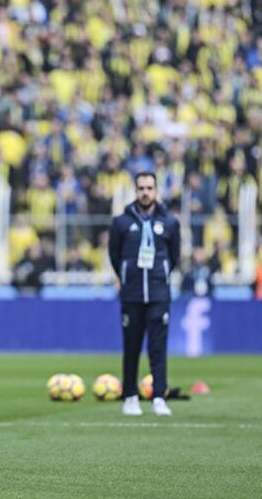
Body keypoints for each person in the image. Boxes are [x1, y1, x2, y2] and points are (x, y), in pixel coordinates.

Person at [108, 171, 180, 417]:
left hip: (159, 295)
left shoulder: (169, 222)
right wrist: (127, 276)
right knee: (131, 347)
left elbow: (175, 256)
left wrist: (161, 274)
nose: (145, 192)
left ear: (156, 191)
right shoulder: (121, 222)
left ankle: (159, 396)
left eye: (150, 188)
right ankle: (130, 396)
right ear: (135, 191)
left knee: (158, 348)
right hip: (132, 295)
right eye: (141, 188)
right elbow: (114, 256)